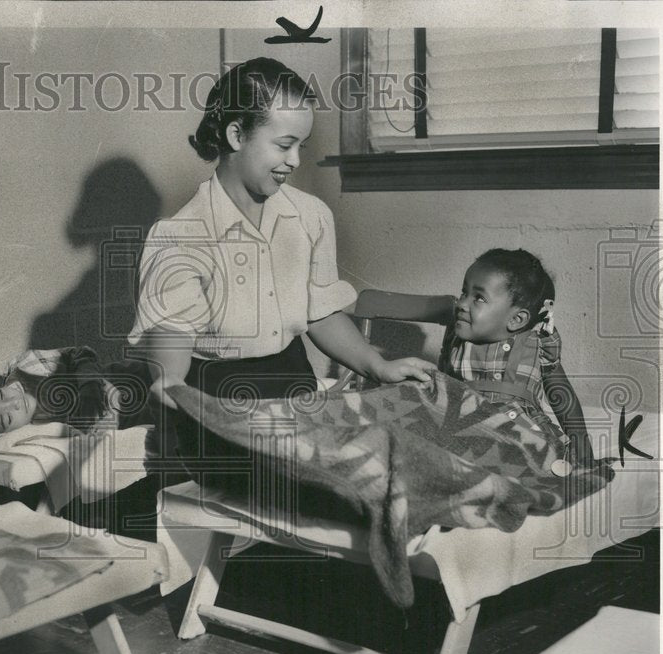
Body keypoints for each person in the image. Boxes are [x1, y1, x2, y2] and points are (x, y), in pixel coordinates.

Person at [127, 57, 435, 476]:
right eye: (283, 144)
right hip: (217, 395)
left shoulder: (310, 216)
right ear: (236, 134)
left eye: (300, 148)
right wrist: (170, 386)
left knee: (392, 456)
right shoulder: (179, 235)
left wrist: (375, 363)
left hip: (292, 379)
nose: (294, 161)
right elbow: (172, 340)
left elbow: (321, 313)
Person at [440, 248, 594, 465]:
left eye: (479, 298)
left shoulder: (537, 341)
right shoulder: (456, 339)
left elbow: (562, 395)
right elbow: (441, 387)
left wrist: (582, 447)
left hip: (520, 434)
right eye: (464, 292)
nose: (462, 304)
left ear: (517, 319)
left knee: (544, 461)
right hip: (463, 428)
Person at [0, 346, 152, 436]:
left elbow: (81, 353)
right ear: (2, 434)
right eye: (7, 417)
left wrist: (90, 386)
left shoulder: (28, 366)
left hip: (137, 378)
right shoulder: (35, 433)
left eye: (0, 394)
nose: (15, 402)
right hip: (139, 420)